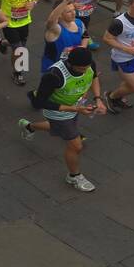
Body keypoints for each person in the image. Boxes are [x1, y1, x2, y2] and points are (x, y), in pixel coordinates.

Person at [18, 45, 107, 193]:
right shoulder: (54, 75)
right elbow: (40, 102)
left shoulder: (89, 64)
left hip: (76, 107)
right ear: (70, 64)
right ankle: (74, 176)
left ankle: (29, 127)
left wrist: (98, 99)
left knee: (56, 128)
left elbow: (94, 76)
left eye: (86, 67)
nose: (85, 70)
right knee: (76, 146)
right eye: (81, 69)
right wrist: (75, 109)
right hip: (58, 112)